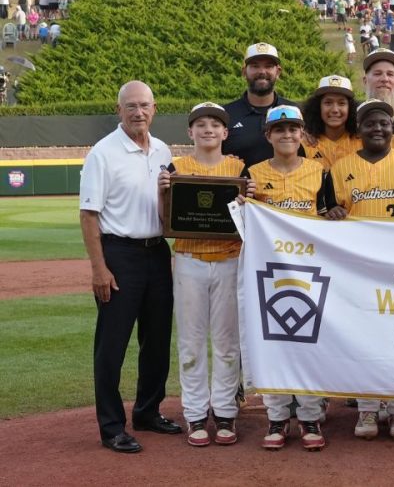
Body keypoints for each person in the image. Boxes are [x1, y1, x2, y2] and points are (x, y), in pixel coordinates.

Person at [80, 81, 180, 453]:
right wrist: (98, 269)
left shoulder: (163, 150)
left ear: (154, 108)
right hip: (119, 254)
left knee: (156, 341)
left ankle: (147, 411)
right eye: (131, 106)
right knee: (112, 346)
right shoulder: (103, 153)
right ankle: (111, 427)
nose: (139, 112)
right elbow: (89, 215)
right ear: (119, 109)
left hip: (157, 252)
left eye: (145, 105)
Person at [327, 99, 394, 442]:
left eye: (384, 123)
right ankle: (369, 409)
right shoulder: (339, 168)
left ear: (392, 128)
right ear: (358, 130)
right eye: (370, 123)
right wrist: (331, 213)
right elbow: (325, 213)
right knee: (365, 342)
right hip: (357, 270)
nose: (377, 128)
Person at [157, 102, 251, 448]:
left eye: (215, 124)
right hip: (189, 258)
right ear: (190, 132)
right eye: (201, 124)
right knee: (191, 343)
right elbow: (163, 218)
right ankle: (195, 412)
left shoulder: (240, 169)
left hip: (229, 260)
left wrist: (249, 200)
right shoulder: (176, 167)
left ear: (226, 133)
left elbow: (250, 222)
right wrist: (162, 190)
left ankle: (225, 411)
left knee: (228, 344)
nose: (208, 129)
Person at [245, 104, 333, 451]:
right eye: (280, 130)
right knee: (274, 344)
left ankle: (310, 415)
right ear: (268, 135)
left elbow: (328, 220)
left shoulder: (319, 171)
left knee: (309, 343)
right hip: (268, 271)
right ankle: (277, 417)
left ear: (302, 134)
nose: (287, 135)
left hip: (310, 269)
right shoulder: (251, 173)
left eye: (293, 129)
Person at [222, 43, 296, 167]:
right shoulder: (225, 115)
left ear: (278, 72)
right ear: (244, 71)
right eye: (255, 66)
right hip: (240, 186)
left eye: (268, 66)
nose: (262, 72)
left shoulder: (296, 112)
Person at [301, 75, 361, 171]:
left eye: (341, 103)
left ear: (350, 108)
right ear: (318, 107)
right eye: (328, 103)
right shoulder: (305, 143)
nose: (335, 110)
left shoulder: (362, 142)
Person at [362, 48, 394, 132]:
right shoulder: (352, 119)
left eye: (390, 74)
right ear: (365, 80)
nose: (385, 79)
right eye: (377, 74)